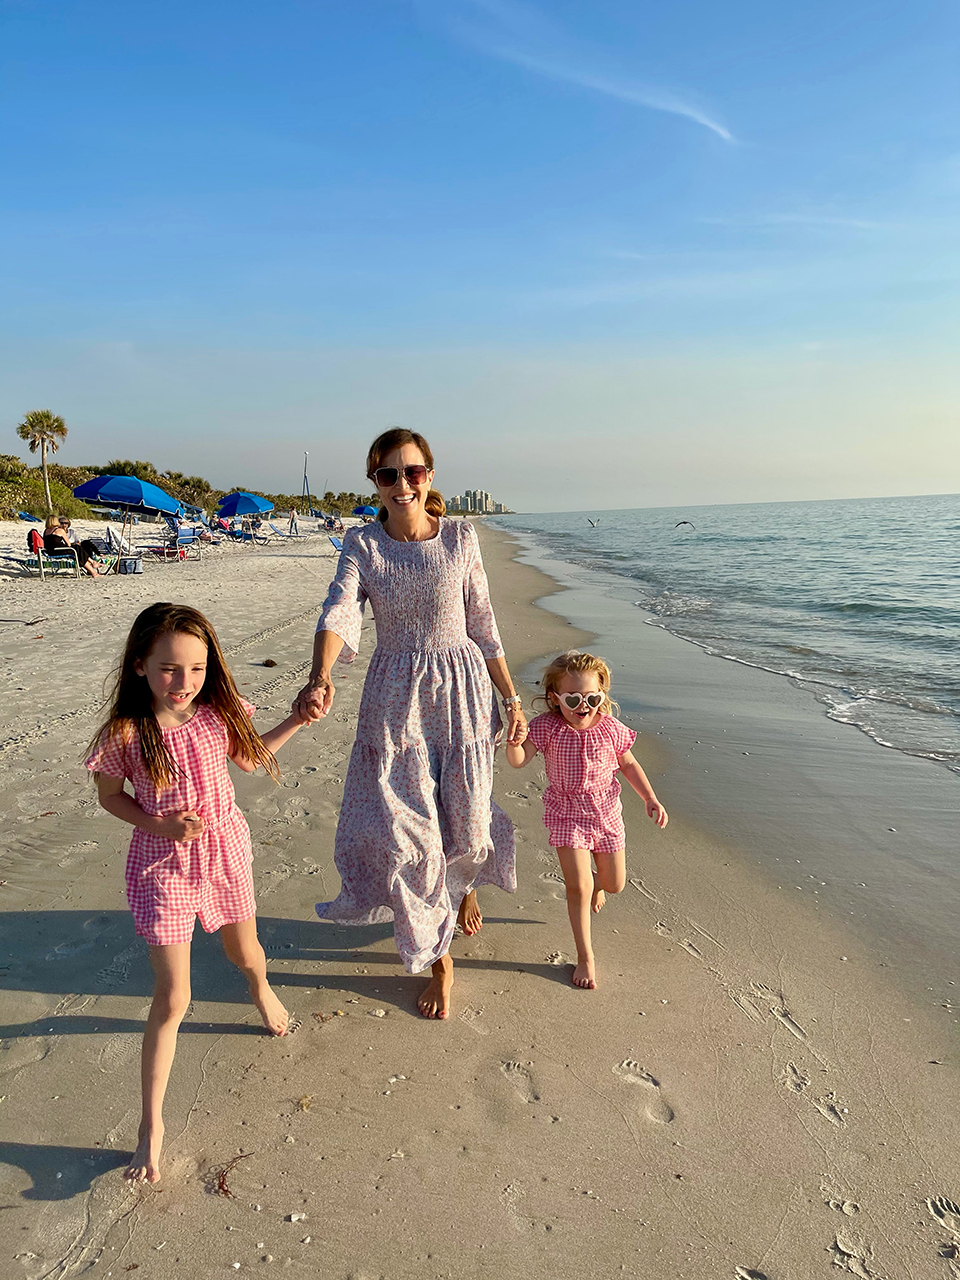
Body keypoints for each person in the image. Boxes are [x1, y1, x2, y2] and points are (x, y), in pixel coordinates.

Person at [293, 428, 525, 1019]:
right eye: (388, 475)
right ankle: (439, 961)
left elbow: (484, 623)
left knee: (466, 818)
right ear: (374, 481)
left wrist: (513, 699)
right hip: (396, 700)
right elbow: (340, 608)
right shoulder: (363, 545)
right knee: (410, 831)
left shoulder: (461, 539)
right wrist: (321, 675)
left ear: (430, 475)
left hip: (463, 693)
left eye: (413, 472)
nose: (402, 485)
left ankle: (465, 886)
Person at [86, 602, 309, 1184]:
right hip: (162, 865)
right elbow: (110, 796)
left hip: (225, 853)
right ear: (139, 665)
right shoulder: (126, 733)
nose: (183, 682)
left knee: (246, 954)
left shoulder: (218, 712)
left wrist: (295, 721)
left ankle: (260, 990)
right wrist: (158, 825)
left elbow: (252, 759)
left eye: (195, 669)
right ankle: (151, 1126)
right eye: (168, 669)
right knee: (174, 997)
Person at [504, 651, 668, 990]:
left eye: (593, 698)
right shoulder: (547, 727)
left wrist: (650, 799)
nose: (584, 706)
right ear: (555, 698)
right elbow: (520, 761)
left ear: (602, 695)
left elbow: (628, 765)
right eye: (574, 699)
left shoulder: (609, 728)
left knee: (614, 884)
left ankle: (597, 880)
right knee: (578, 887)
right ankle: (585, 956)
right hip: (567, 813)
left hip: (606, 814)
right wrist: (514, 743)